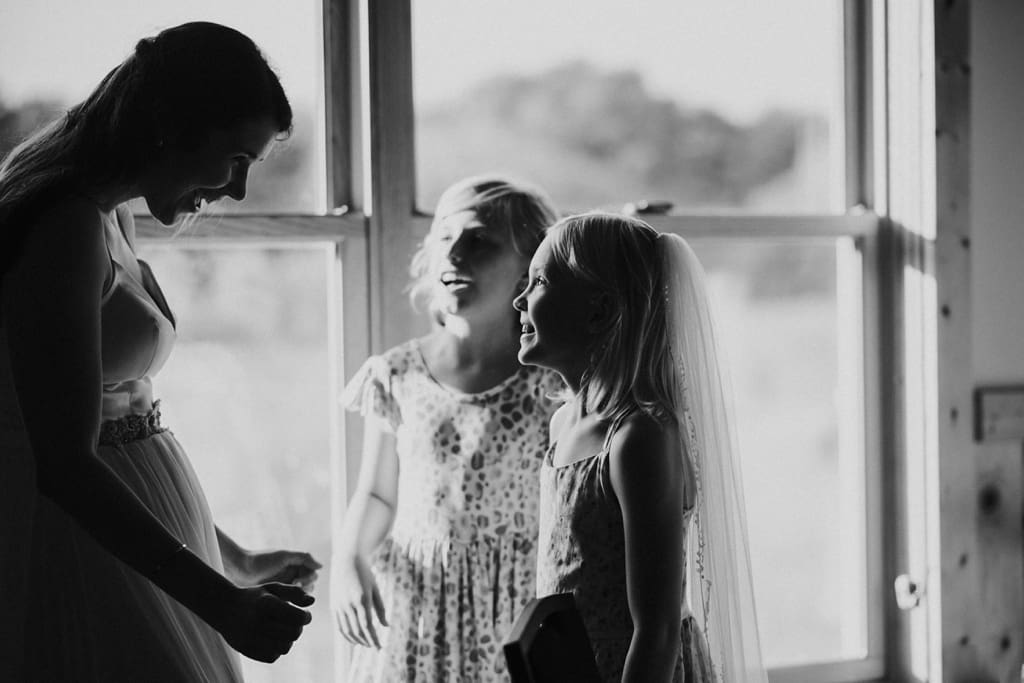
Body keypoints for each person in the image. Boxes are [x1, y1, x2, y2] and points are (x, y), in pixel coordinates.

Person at [0, 22, 320, 682]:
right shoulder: (64, 227)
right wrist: (222, 603)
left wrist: (234, 560)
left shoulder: (107, 215)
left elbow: (124, 424)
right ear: (175, 125)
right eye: (238, 159)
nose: (237, 191)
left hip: (139, 558)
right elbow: (66, 464)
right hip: (82, 560)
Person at [512, 213, 767, 682]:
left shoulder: (639, 437)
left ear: (599, 309)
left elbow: (658, 627)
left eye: (539, 281)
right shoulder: (562, 425)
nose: (519, 299)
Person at [332, 175, 563, 681]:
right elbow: (376, 494)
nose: (455, 252)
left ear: (529, 268)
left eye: (479, 239)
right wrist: (349, 559)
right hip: (414, 607)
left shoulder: (551, 384)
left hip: (513, 606)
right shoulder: (397, 375)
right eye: (443, 236)